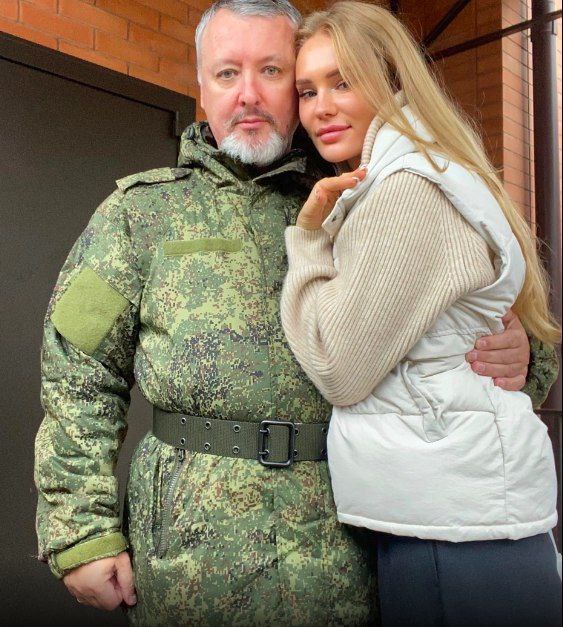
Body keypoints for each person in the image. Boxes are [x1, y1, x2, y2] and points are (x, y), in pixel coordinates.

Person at [34, 0, 555, 624]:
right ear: (201, 86)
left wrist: (521, 355)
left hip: (355, 545)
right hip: (189, 555)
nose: (248, 94)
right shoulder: (138, 216)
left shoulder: (366, 194)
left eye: (273, 72)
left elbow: (490, 312)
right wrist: (80, 530)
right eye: (227, 73)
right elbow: (78, 372)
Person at [280, 2, 561, 625]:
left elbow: (338, 369)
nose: (320, 107)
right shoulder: (413, 171)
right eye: (307, 90)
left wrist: (309, 241)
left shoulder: (406, 190)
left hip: (455, 527)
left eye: (343, 82)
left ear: (392, 81)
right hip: (457, 511)